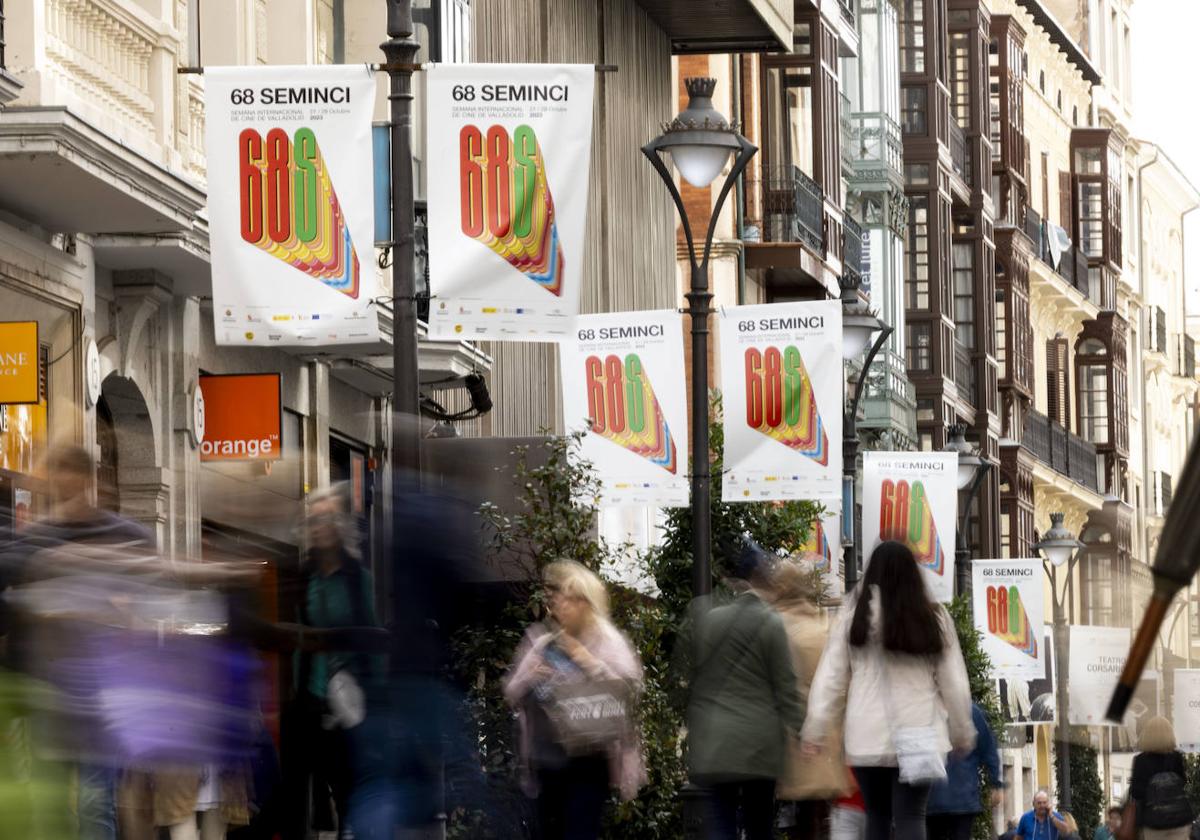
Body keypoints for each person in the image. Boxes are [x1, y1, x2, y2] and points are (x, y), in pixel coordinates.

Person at [0, 444, 155, 840]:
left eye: (66, 476)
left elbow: (147, 602)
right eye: (55, 478)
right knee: (51, 802)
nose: (59, 485)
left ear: (88, 480)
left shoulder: (121, 534)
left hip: (98, 696)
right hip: (46, 694)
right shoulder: (37, 537)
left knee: (94, 798)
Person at [803, 541, 975, 840]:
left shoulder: (853, 617)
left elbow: (830, 677)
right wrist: (962, 732)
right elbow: (954, 683)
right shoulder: (932, 617)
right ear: (913, 574)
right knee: (911, 816)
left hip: (865, 735)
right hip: (919, 734)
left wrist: (815, 729)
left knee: (877, 817)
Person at [504, 559, 644, 840]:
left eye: (570, 599)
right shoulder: (542, 640)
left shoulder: (608, 641)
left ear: (587, 603)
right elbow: (511, 691)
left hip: (589, 759)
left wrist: (589, 661)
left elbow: (629, 687)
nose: (560, 605)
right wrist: (533, 675)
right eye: (558, 599)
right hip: (546, 759)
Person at [686, 540, 805, 840]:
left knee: (721, 824)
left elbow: (692, 676)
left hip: (715, 742)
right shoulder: (771, 622)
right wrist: (802, 730)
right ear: (763, 581)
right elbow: (785, 686)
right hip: (759, 746)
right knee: (758, 825)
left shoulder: (710, 620)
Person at [282, 486, 383, 840]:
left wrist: (373, 699)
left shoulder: (358, 581)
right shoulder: (302, 577)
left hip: (348, 704)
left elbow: (373, 641)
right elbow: (295, 636)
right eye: (313, 519)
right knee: (294, 797)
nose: (319, 525)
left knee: (348, 796)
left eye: (327, 518)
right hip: (308, 697)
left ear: (341, 524)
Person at [767, 558, 851, 838]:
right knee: (816, 813)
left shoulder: (776, 625)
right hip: (823, 734)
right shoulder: (821, 625)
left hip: (786, 733)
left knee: (780, 816)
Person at [927, 703, 1004, 840]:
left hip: (932, 797)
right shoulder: (971, 711)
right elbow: (989, 749)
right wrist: (995, 784)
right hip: (962, 796)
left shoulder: (925, 708)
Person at [1126, 717, 1194, 840]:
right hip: (1179, 820)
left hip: (1153, 822)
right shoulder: (1176, 757)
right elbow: (1183, 784)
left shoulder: (1141, 760)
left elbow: (1137, 793)